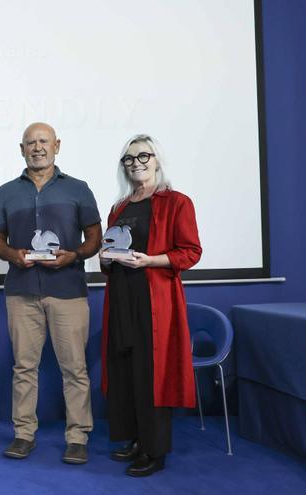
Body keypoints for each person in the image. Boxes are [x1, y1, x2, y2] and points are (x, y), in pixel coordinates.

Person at [0, 122, 102, 464]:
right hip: (21, 291)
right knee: (24, 368)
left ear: (57, 145)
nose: (37, 147)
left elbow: (95, 238)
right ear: (21, 149)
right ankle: (24, 434)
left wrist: (75, 255)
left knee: (75, 369)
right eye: (30, 143)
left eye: (43, 141)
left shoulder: (79, 189)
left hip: (68, 289)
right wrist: (13, 255)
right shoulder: (6, 191)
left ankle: (78, 436)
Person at [100, 134, 201, 477]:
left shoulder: (177, 202)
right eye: (128, 159)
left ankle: (154, 450)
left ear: (157, 160)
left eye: (143, 156)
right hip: (121, 297)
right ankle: (133, 438)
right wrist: (105, 258)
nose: (136, 163)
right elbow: (112, 249)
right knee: (124, 369)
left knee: (150, 373)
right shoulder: (119, 207)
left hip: (154, 300)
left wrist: (150, 261)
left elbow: (190, 252)